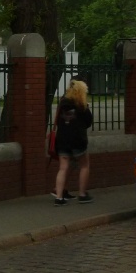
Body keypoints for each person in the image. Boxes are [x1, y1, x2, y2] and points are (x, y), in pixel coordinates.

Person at [53, 78, 94, 206]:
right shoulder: (82, 105)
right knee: (84, 165)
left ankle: (59, 197)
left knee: (63, 168)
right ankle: (82, 194)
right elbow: (88, 122)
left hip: (62, 140)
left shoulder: (62, 104)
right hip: (78, 140)